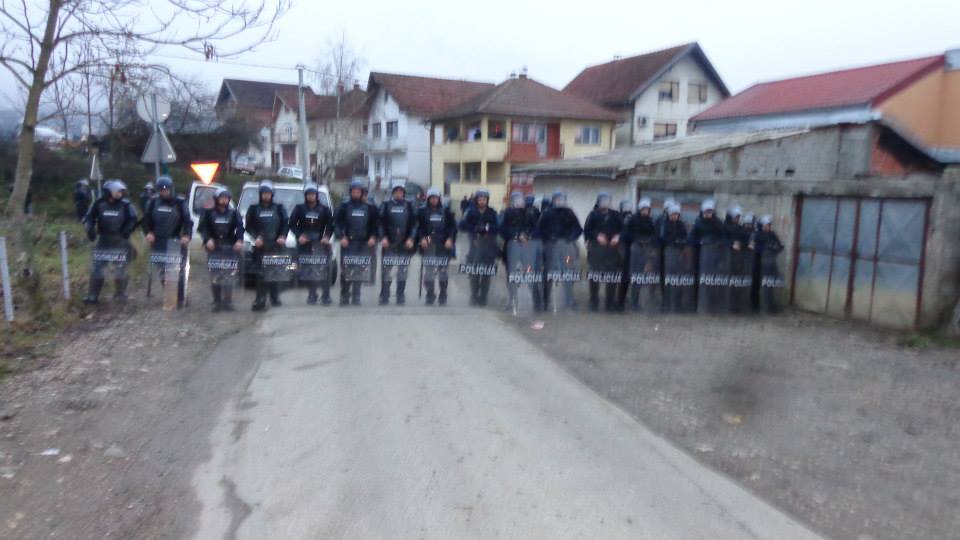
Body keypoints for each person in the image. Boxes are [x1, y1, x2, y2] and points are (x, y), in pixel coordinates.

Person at [82, 180, 138, 305]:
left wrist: (127, 230)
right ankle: (93, 295)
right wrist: (90, 229)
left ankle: (120, 295)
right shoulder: (98, 203)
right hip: (103, 240)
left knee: (121, 267)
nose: (120, 193)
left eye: (121, 191)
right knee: (97, 267)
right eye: (117, 191)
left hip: (120, 240)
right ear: (108, 192)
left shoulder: (126, 204)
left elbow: (133, 219)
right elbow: (88, 218)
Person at [142, 176, 193, 308]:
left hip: (175, 239)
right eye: (161, 190)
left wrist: (187, 235)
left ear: (171, 189)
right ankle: (170, 294)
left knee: (177, 269)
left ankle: (180, 297)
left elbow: (188, 221)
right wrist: (148, 233)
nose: (164, 192)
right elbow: (146, 220)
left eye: (166, 189)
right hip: (158, 240)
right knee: (162, 270)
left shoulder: (180, 202)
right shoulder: (153, 202)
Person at [245, 181, 289, 312]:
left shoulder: (279, 208)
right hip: (261, 245)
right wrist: (256, 237)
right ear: (260, 194)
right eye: (264, 193)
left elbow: (285, 224)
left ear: (272, 194)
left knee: (275, 271)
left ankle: (275, 297)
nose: (266, 195)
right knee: (260, 273)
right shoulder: (253, 208)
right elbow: (248, 226)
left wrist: (282, 236)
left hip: (275, 245)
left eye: (268, 193)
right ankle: (260, 298)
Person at [199, 188, 244, 312]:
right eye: (221, 198)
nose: (224, 200)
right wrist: (207, 239)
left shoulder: (234, 213)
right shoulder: (208, 213)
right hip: (214, 248)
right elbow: (202, 228)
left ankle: (228, 301)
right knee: (215, 275)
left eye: (226, 198)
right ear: (216, 199)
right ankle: (217, 301)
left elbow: (240, 228)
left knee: (229, 275)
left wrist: (239, 240)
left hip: (229, 248)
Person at [335, 179, 379, 306]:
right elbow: (336, 224)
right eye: (353, 191)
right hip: (348, 243)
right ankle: (344, 295)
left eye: (358, 192)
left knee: (359, 269)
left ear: (362, 193)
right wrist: (341, 237)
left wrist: (373, 237)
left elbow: (375, 225)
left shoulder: (369, 208)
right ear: (350, 192)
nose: (356, 194)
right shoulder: (344, 207)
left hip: (363, 244)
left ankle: (356, 295)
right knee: (346, 269)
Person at [289, 184, 334, 305]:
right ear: (305, 196)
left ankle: (326, 296)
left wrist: (326, 237)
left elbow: (331, 225)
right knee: (309, 269)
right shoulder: (299, 208)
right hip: (305, 244)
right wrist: (299, 235)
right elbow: (292, 224)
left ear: (316, 195)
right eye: (309, 194)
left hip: (321, 244)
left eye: (313, 194)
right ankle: (312, 294)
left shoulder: (324, 209)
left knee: (324, 268)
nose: (311, 196)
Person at [538, 190, 582, 310]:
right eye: (557, 199)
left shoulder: (569, 213)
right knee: (549, 273)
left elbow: (578, 229)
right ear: (553, 200)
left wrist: (571, 238)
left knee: (568, 272)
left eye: (561, 199)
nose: (559, 201)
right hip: (551, 247)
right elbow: (539, 230)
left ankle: (569, 300)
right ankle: (545, 301)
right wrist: (549, 237)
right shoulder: (547, 213)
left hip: (567, 247)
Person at [501, 191, 543, 311]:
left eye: (520, 200)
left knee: (530, 274)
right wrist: (515, 235)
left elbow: (536, 229)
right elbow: (503, 229)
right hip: (511, 247)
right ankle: (512, 300)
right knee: (512, 275)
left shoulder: (529, 212)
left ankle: (536, 302)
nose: (518, 203)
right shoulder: (507, 213)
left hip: (527, 248)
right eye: (516, 200)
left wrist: (528, 235)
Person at [378, 179, 417, 305]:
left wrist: (411, 238)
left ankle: (400, 294)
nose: (399, 193)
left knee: (402, 270)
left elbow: (414, 225)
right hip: (389, 243)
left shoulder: (409, 205)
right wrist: (383, 237)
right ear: (393, 192)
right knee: (386, 270)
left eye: (401, 191)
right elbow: (380, 224)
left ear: (404, 193)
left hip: (404, 244)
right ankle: (384, 294)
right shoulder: (386, 205)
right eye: (396, 191)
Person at [583, 192, 623, 312]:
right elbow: (587, 230)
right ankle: (593, 302)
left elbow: (624, 229)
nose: (605, 203)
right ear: (599, 202)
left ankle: (609, 303)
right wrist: (596, 236)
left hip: (612, 249)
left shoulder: (616, 215)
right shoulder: (593, 214)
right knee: (594, 275)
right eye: (603, 200)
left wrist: (618, 236)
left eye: (607, 200)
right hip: (597, 249)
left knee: (612, 276)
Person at [417, 187, 457, 306]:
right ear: (428, 199)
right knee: (429, 272)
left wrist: (450, 239)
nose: (434, 200)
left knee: (443, 272)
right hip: (429, 245)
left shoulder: (446, 211)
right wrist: (422, 238)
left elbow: (453, 228)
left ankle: (443, 295)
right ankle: (430, 294)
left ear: (439, 198)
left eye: (436, 197)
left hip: (443, 245)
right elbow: (419, 228)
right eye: (432, 198)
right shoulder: (422, 211)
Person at [459, 188, 499, 306]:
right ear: (476, 200)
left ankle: (483, 297)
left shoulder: (492, 212)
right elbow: (462, 225)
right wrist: (475, 228)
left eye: (484, 199)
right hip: (474, 246)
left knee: (486, 273)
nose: (482, 201)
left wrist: (487, 228)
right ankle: (474, 295)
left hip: (488, 247)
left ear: (487, 200)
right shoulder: (471, 212)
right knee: (474, 273)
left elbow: (498, 227)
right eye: (480, 199)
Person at [622, 197, 662, 312]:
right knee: (636, 276)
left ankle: (646, 302)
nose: (646, 211)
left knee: (648, 277)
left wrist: (650, 243)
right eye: (644, 209)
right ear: (640, 209)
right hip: (636, 249)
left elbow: (655, 235)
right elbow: (626, 234)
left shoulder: (651, 221)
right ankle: (634, 302)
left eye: (647, 209)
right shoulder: (632, 220)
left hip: (647, 249)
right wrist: (638, 240)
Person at [688, 199, 727, 314]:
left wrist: (717, 243)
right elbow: (691, 238)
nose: (708, 214)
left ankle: (713, 304)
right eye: (706, 212)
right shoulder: (698, 223)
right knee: (700, 280)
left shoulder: (718, 223)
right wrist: (700, 242)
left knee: (713, 281)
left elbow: (724, 238)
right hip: (700, 258)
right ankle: (697, 303)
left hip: (715, 258)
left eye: (710, 212)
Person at [661, 203, 694, 313]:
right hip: (669, 254)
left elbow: (686, 237)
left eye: (676, 214)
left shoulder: (681, 225)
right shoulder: (665, 225)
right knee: (669, 279)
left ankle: (678, 303)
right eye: (673, 214)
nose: (675, 216)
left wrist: (681, 242)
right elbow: (664, 238)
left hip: (680, 254)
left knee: (678, 279)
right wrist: (674, 242)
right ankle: (667, 303)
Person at [751, 215, 784, 313]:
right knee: (756, 284)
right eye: (766, 225)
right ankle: (755, 305)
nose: (768, 227)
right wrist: (766, 248)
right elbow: (755, 247)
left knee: (770, 284)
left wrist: (775, 248)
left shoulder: (772, 234)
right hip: (758, 263)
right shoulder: (757, 235)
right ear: (762, 225)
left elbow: (779, 245)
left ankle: (770, 305)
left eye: (769, 225)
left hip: (770, 263)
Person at [724, 206, 753, 314]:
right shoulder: (724, 227)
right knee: (729, 284)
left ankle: (738, 305)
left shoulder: (740, 228)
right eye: (735, 217)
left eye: (738, 217)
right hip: (727, 260)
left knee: (738, 283)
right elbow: (721, 240)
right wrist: (732, 244)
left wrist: (747, 243)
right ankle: (728, 305)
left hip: (740, 260)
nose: (737, 219)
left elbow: (745, 238)